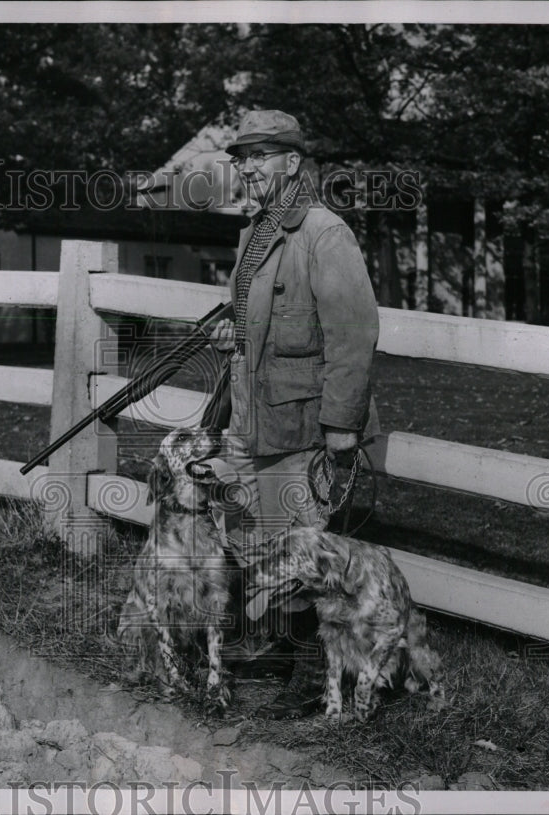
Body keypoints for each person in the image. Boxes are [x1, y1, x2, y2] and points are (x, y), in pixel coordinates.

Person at [207, 109, 380, 719]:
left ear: (292, 162)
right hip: (258, 421)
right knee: (260, 542)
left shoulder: (323, 232)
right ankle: (280, 657)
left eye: (260, 155)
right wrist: (237, 336)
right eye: (241, 157)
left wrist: (341, 427)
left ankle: (318, 677)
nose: (248, 168)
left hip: (307, 425)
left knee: (306, 553)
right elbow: (271, 319)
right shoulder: (256, 232)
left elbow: (353, 335)